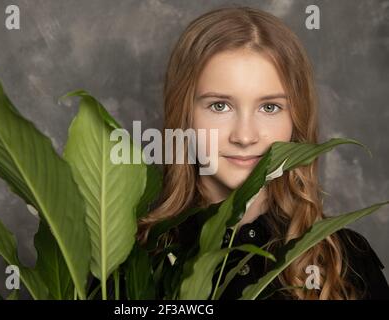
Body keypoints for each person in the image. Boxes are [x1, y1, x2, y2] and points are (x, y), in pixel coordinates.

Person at [136, 6, 389, 299]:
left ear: (296, 120)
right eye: (220, 106)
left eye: (270, 107)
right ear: (184, 115)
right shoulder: (132, 264)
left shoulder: (345, 262)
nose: (245, 136)